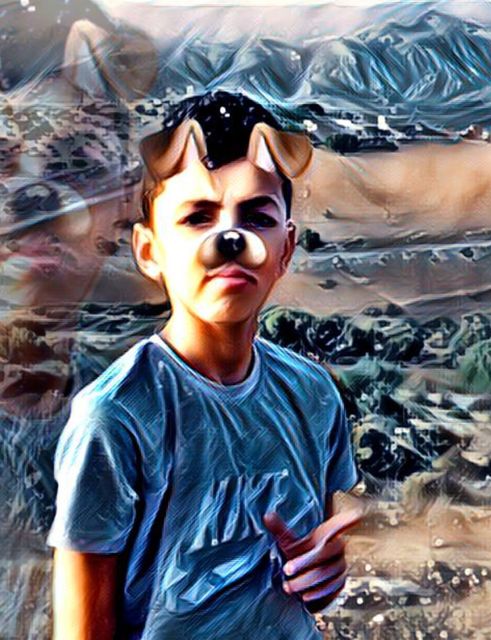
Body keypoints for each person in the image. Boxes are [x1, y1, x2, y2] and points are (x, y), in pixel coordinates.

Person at [46, 90, 363, 640]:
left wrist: (324, 572)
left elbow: (306, 575)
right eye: (198, 217)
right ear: (150, 251)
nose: (231, 240)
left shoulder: (312, 395)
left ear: (285, 249)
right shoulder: (116, 418)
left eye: (256, 217)